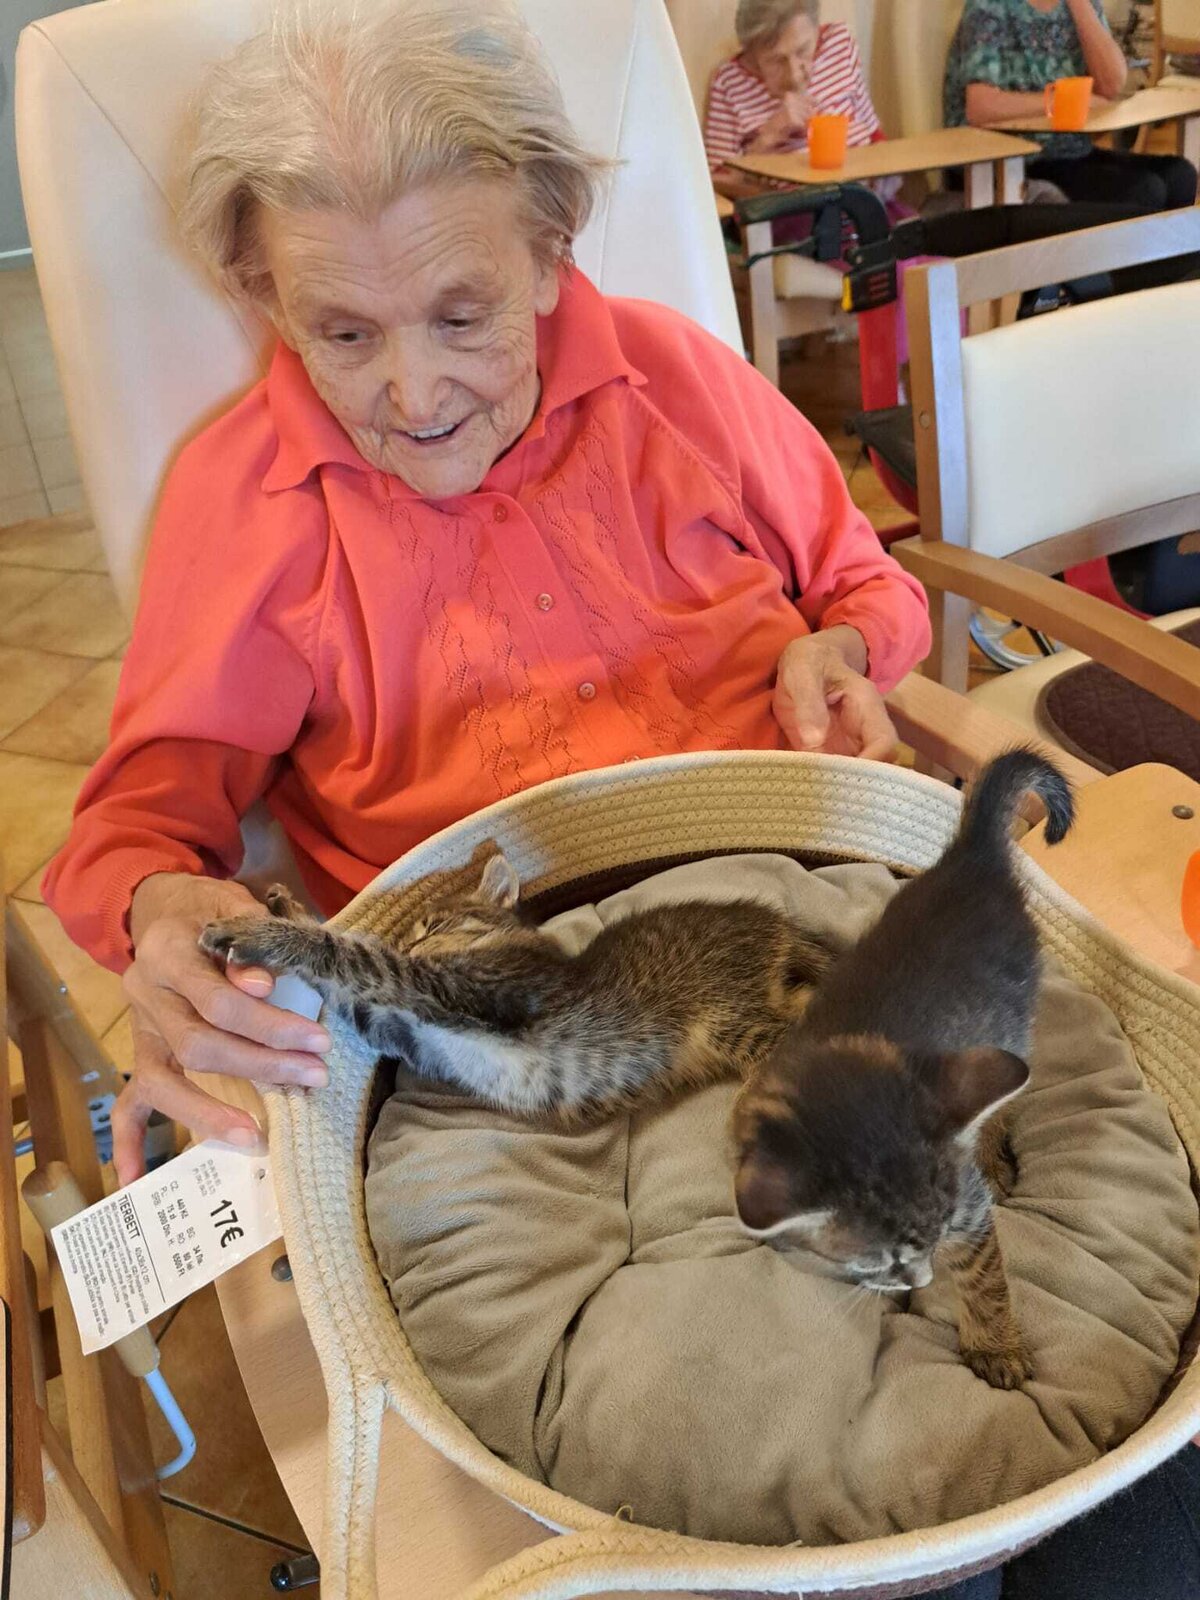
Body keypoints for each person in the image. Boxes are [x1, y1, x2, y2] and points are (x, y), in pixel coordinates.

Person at [43, 0, 930, 1186]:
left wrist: (847, 646)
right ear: (265, 291)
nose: (415, 396)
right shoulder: (250, 497)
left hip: (807, 907)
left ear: (551, 250)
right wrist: (157, 909)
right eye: (343, 335)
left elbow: (864, 581)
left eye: (462, 318)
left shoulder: (674, 378)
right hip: (514, 1039)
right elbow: (133, 830)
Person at [945, 0, 1198, 209]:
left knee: (1179, 174)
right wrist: (1063, 102)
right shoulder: (989, 6)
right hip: (1009, 163)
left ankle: (1167, 258)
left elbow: (1112, 84)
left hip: (1067, 151)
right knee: (1143, 191)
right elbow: (981, 108)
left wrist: (1080, 5)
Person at [704, 0, 906, 219]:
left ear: (816, 28)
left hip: (865, 200)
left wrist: (888, 175)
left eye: (802, 50)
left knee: (919, 230)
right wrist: (767, 137)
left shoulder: (839, 44)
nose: (794, 74)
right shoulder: (729, 82)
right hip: (797, 213)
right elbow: (716, 182)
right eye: (776, 61)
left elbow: (873, 133)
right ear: (751, 53)